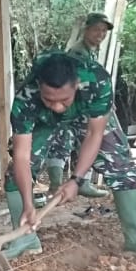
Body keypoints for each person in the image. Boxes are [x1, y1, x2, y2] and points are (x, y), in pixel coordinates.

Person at [3, 51, 136, 262]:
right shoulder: (25, 99)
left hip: (86, 115)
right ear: (39, 88)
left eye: (64, 99)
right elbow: (22, 156)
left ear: (77, 84)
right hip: (43, 120)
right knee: (14, 175)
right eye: (49, 99)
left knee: (119, 163)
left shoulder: (97, 82)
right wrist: (28, 203)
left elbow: (94, 133)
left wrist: (76, 180)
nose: (57, 106)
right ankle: (25, 238)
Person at [41, 12, 116, 200]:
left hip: (79, 103)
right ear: (86, 29)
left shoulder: (89, 51)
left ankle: (76, 183)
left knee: (74, 140)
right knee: (70, 140)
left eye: (104, 31)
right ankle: (63, 185)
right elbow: (81, 82)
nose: (100, 34)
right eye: (96, 29)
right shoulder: (78, 53)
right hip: (75, 104)